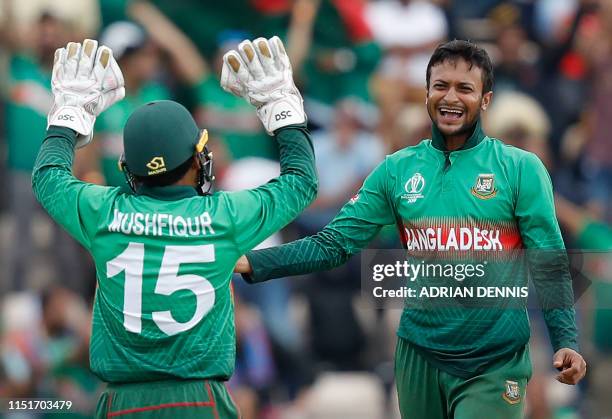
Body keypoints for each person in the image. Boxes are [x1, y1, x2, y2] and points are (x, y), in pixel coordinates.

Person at [235, 40, 587, 418]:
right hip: (419, 354)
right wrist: (251, 262)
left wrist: (565, 340)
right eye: (440, 86)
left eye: (464, 89)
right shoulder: (397, 170)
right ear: (426, 93)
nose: (450, 97)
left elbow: (549, 261)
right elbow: (334, 243)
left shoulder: (520, 168)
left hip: (494, 359)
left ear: (485, 100)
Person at [32, 36, 315, 418]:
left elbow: (48, 176)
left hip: (122, 404)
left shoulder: (103, 213)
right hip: (199, 400)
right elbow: (301, 181)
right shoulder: (225, 216)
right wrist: (283, 109)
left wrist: (68, 115)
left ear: (128, 171)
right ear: (199, 159)